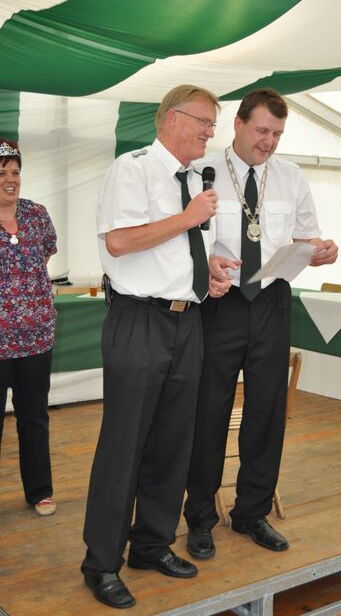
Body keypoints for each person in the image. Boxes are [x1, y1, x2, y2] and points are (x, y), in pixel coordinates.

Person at [81, 85, 220, 609]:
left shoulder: (195, 181)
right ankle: (101, 563)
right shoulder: (132, 169)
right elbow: (119, 241)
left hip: (188, 320)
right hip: (139, 320)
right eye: (204, 121)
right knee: (125, 445)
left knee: (172, 442)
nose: (210, 132)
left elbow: (177, 251)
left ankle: (152, 543)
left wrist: (210, 270)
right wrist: (188, 218)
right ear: (171, 118)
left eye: (213, 124)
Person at [184, 88, 338, 559]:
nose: (268, 141)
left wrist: (321, 251)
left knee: (267, 412)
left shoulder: (291, 176)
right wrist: (206, 267)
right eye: (262, 131)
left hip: (272, 299)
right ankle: (200, 517)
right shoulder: (202, 170)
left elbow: (306, 236)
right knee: (208, 411)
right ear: (238, 123)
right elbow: (185, 239)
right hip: (220, 302)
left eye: (277, 134)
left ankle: (251, 512)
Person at [0, 139, 58, 517]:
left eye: (16, 172)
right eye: (2, 173)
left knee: (34, 417)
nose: (11, 179)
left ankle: (40, 491)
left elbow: (47, 252)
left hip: (36, 339)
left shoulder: (36, 214)